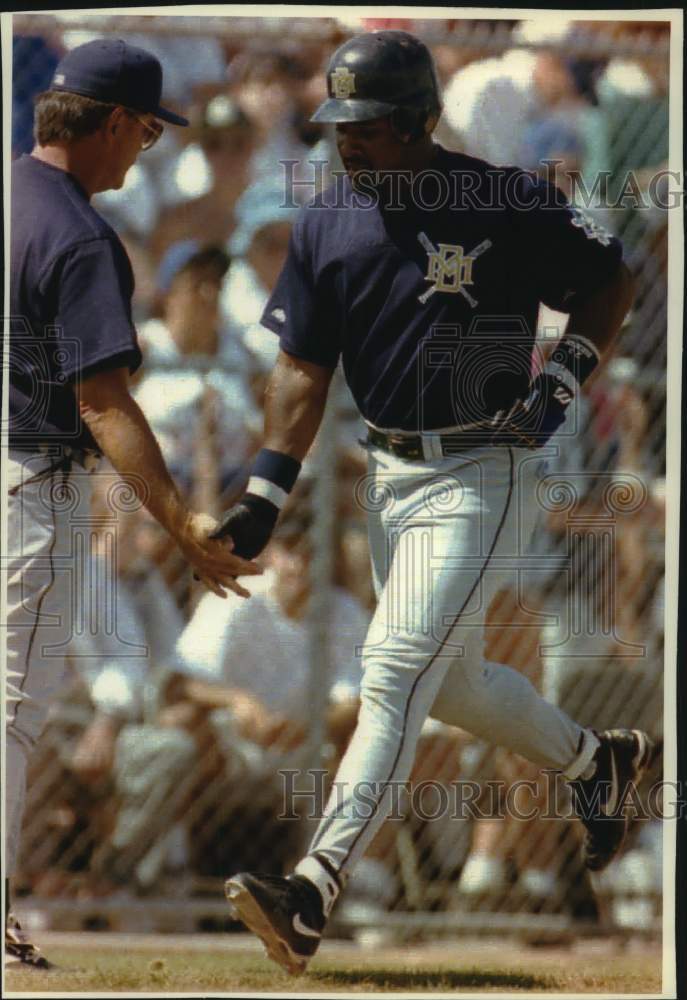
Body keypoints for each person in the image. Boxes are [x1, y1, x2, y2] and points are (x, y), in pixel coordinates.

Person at [210, 31, 655, 975]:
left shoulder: (497, 196)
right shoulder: (329, 219)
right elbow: (299, 371)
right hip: (388, 474)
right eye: (338, 124)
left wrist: (568, 374)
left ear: (421, 120)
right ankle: (593, 763)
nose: (349, 141)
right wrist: (262, 493)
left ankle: (313, 887)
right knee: (446, 684)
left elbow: (612, 275)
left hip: (482, 467)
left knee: (392, 671)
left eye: (370, 125)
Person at [6, 37, 261, 969]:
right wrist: (183, 522)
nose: (143, 151)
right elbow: (102, 401)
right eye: (147, 133)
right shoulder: (77, 234)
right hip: (30, 479)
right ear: (112, 121)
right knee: (13, 706)